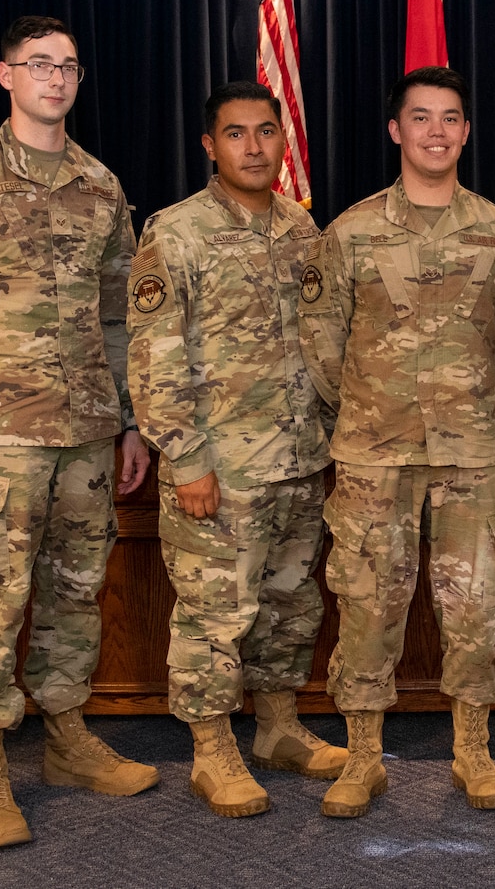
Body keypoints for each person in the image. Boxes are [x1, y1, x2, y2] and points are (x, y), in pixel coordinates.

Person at [0, 15, 155, 849]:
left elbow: (119, 317)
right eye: (38, 64)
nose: (55, 77)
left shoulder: (100, 184)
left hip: (86, 430)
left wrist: (128, 420)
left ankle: (65, 737)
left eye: (69, 66)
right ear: (6, 74)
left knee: (77, 593)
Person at [297, 66, 495, 818]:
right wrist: (378, 409)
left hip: (473, 455)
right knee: (367, 605)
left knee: (477, 609)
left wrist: (462, 397)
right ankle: (364, 757)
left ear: (466, 132)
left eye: (451, 118)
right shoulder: (351, 232)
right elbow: (322, 346)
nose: (437, 131)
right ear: (396, 130)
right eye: (421, 117)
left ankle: (473, 751)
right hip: (374, 456)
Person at [127, 81, 346, 819]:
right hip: (220, 467)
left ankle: (278, 726)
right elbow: (153, 356)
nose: (254, 147)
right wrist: (185, 459)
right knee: (214, 615)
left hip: (299, 458)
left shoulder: (302, 228)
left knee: (291, 604)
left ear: (284, 137)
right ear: (209, 146)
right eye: (236, 134)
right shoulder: (175, 232)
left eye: (265, 131)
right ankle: (212, 749)